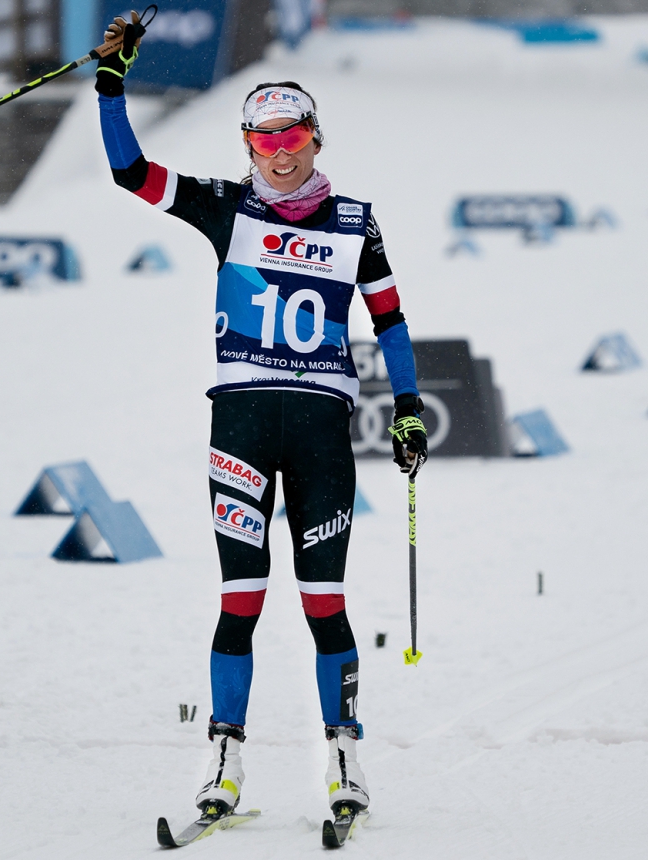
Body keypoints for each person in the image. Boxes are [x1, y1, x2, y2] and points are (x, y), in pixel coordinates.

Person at [94, 13, 429, 826]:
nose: (279, 152)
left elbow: (389, 321)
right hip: (239, 430)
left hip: (321, 436)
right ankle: (225, 761)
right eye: (262, 140)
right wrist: (111, 83)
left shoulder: (356, 223)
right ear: (246, 148)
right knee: (241, 596)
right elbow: (129, 172)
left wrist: (410, 407)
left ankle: (345, 757)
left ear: (316, 139)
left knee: (323, 602)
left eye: (293, 136)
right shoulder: (225, 208)